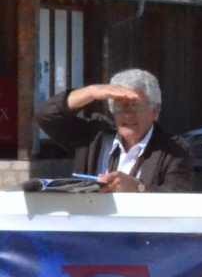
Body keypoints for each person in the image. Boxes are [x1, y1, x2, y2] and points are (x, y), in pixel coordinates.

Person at [35, 69, 193, 192]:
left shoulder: (174, 150)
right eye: (119, 106)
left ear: (155, 112)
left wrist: (138, 188)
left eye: (134, 106)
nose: (127, 114)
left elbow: (177, 199)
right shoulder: (93, 137)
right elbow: (46, 116)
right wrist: (90, 92)